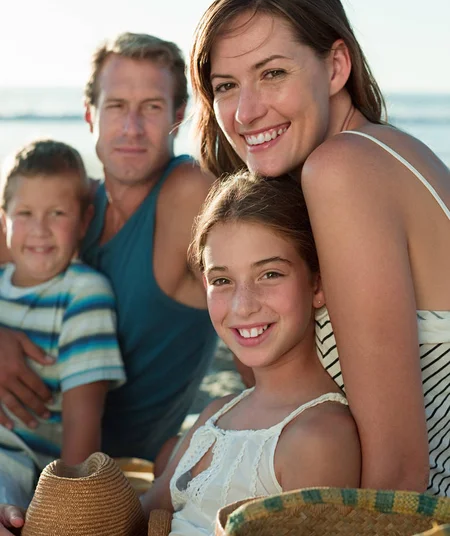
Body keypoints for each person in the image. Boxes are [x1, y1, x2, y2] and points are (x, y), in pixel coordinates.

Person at [189, 0, 450, 495]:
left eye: (273, 73)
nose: (245, 111)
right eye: (225, 86)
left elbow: (399, 474)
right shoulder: (380, 154)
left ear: (335, 67)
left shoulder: (342, 169)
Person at [0, 171, 361, 536]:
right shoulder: (215, 416)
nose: (243, 305)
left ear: (317, 283)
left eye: (270, 274)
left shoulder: (318, 438)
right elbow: (134, 519)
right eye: (222, 280)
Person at [0, 33, 217, 464]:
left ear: (178, 116)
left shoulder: (189, 192)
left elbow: (256, 323)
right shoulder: (69, 206)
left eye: (151, 108)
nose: (132, 128)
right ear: (90, 115)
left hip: (105, 477)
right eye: (116, 106)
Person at [0, 140, 125, 508]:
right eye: (24, 213)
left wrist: (66, 509)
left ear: (84, 220)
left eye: (57, 213)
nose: (39, 229)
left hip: (15, 460)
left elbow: (82, 421)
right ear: (3, 216)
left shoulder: (83, 294)